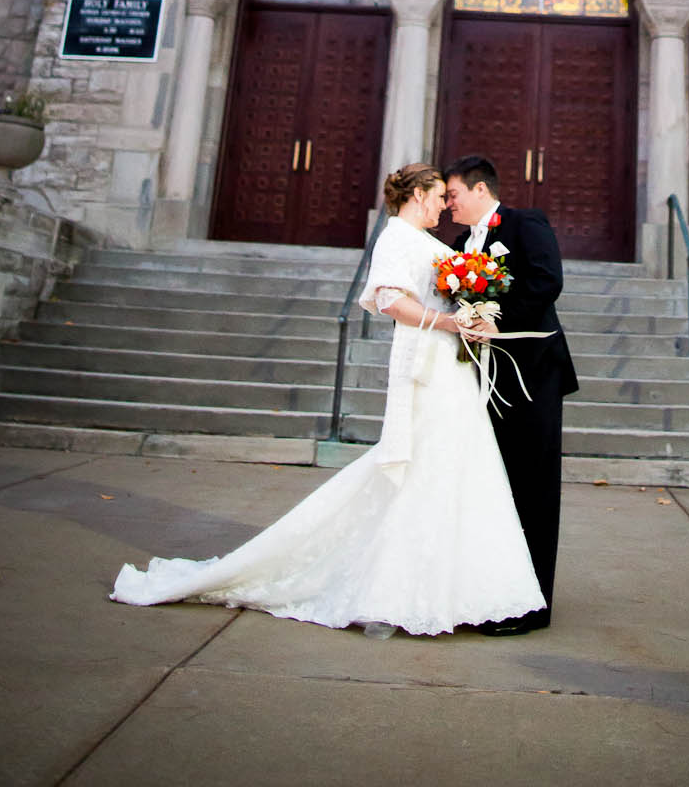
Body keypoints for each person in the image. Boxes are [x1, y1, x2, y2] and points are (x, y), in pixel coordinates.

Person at [110, 163, 545, 636]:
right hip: (427, 362)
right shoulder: (396, 236)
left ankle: (462, 588)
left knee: (453, 467)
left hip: (450, 367)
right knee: (421, 464)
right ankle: (402, 586)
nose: (445, 205)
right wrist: (448, 323)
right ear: (419, 194)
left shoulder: (430, 241)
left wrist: (472, 310)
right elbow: (390, 300)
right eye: (440, 195)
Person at [444, 154, 579, 633]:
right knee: (494, 486)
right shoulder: (461, 243)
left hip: (534, 375)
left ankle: (533, 606)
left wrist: (497, 317)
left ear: (481, 190)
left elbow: (546, 281)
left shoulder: (525, 223)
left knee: (533, 488)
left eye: (453, 195)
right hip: (485, 377)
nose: (447, 205)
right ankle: (496, 590)